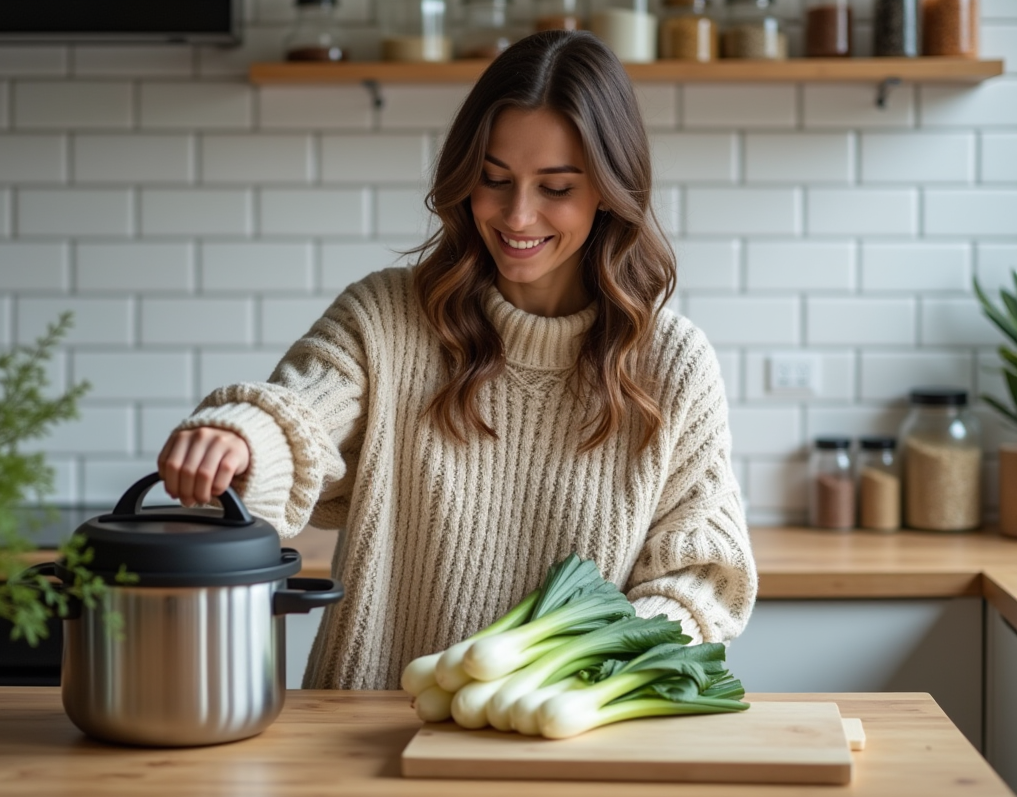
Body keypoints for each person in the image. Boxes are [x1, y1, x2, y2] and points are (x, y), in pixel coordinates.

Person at [157, 30, 756, 691]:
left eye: (555, 187)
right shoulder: (387, 318)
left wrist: (577, 667)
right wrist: (240, 436)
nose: (517, 215)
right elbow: (301, 414)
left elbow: (703, 577)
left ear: (611, 192)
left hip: (561, 740)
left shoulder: (671, 365)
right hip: (369, 733)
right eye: (494, 180)